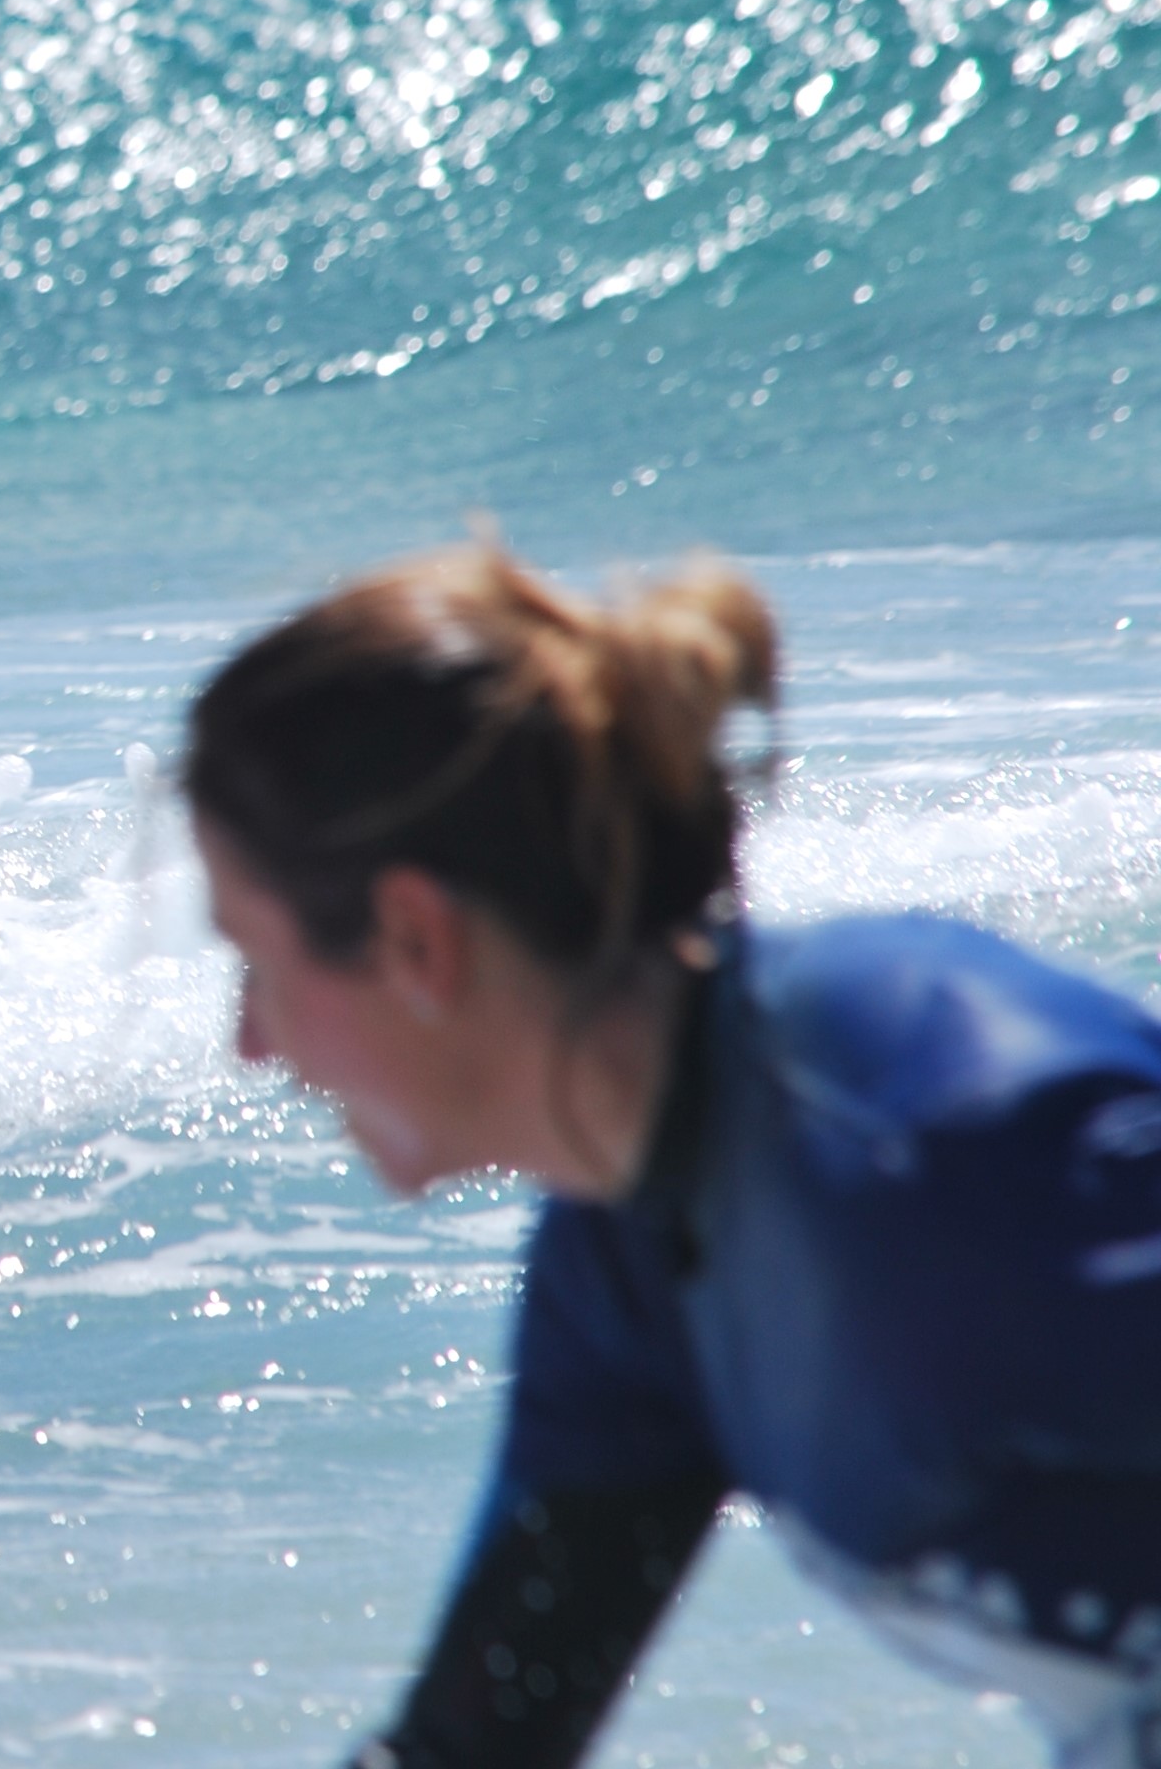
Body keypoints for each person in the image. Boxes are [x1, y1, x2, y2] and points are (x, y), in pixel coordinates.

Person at [186, 542, 1161, 1769]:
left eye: (254, 964)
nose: (247, 1043)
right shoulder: (633, 1259)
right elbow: (472, 1747)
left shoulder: (931, 1149)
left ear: (412, 938)